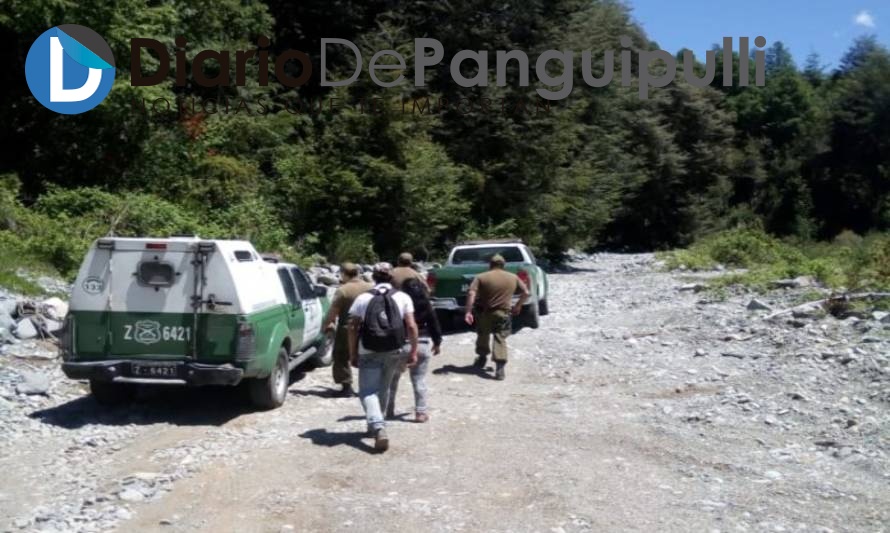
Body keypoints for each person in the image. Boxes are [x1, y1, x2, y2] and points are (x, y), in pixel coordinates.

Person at [348, 262, 419, 452]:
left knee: (368, 391)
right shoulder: (403, 297)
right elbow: (411, 326)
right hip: (394, 350)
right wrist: (413, 350)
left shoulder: (363, 298)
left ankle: (377, 426)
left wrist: (352, 352)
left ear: (373, 277)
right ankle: (378, 425)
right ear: (391, 277)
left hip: (368, 349)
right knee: (384, 389)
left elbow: (353, 327)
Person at [463, 254, 529, 380]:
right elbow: (526, 292)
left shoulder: (481, 277)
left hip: (485, 312)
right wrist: (518, 306)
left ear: (490, 264)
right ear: (503, 265)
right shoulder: (513, 277)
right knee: (500, 337)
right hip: (503, 313)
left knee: (483, 334)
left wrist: (468, 311)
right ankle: (500, 368)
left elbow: (472, 293)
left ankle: (482, 358)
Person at [386, 277, 442, 423]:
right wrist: (437, 343)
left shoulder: (398, 303)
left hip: (400, 345)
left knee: (392, 379)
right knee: (419, 380)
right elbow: (434, 324)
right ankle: (421, 413)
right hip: (422, 345)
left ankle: (388, 409)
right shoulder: (426, 304)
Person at [322, 263, 373, 397]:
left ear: (344, 274)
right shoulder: (370, 287)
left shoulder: (343, 290)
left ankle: (346, 386)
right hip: (369, 327)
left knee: (341, 356)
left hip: (347, 327)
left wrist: (326, 325)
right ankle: (370, 386)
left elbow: (333, 312)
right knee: (368, 356)